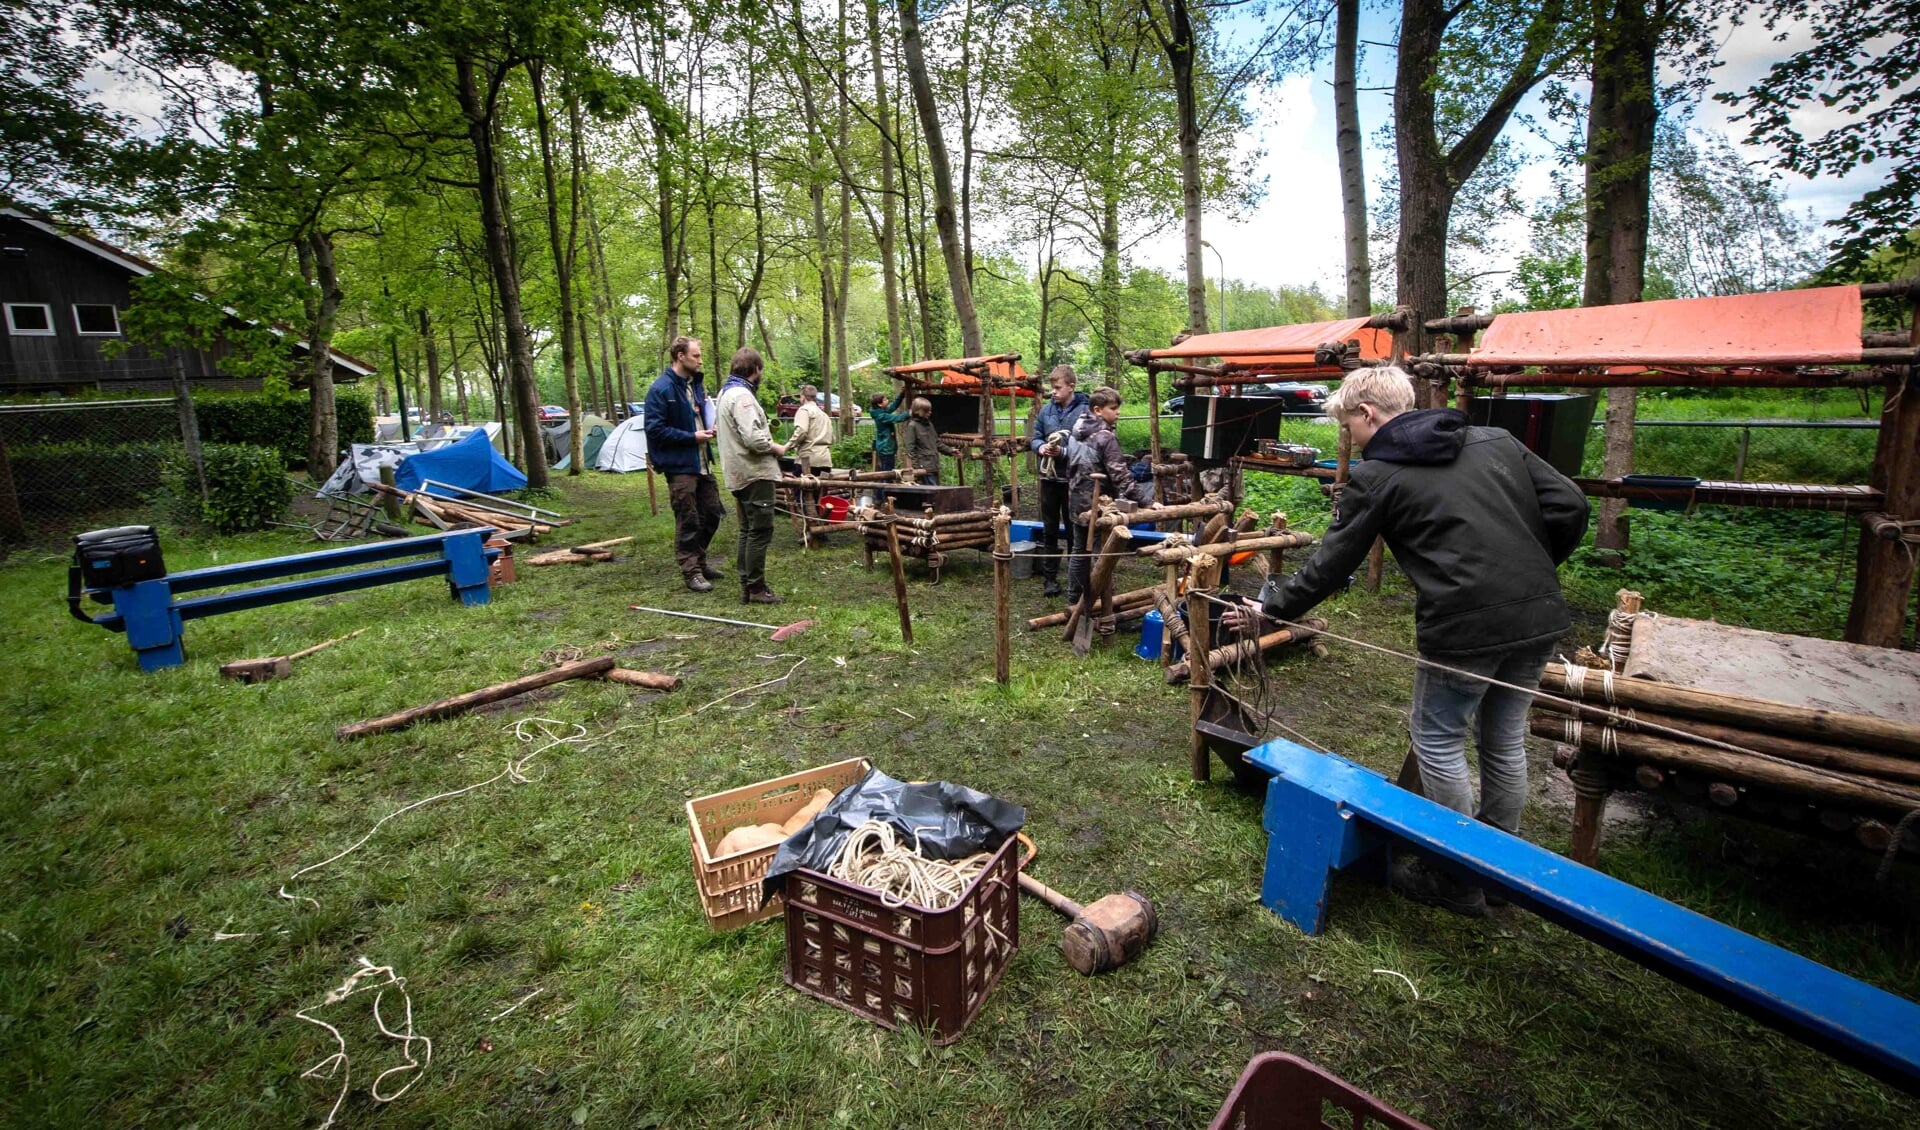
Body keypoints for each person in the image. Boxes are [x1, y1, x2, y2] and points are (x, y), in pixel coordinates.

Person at [1221, 365, 1590, 917]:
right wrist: (1531, 573)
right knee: (1505, 740)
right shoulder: (1495, 440)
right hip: (1539, 616)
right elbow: (1571, 507)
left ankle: (1459, 879)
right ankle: (1499, 873)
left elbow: (1331, 563)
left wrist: (1270, 608)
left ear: (1368, 413)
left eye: (1350, 426)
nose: (1353, 438)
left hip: (1464, 630)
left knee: (1439, 740)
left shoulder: (1382, 474)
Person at [643, 335, 726, 592]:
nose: (700, 360)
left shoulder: (695, 385)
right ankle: (691, 571)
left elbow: (698, 416)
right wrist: (691, 437)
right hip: (680, 466)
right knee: (688, 518)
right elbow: (654, 430)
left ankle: (699, 561)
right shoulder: (661, 389)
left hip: (702, 462)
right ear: (681, 356)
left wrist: (709, 428)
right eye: (696, 356)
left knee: (712, 513)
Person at [1065, 386, 1153, 606]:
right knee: (1102, 554)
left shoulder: (1075, 430)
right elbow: (1120, 475)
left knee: (1079, 550)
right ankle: (1097, 604)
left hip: (1075, 497)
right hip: (1098, 503)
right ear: (1097, 410)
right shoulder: (1105, 437)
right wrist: (1147, 501)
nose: (1118, 413)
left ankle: (1074, 598)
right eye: (1113, 408)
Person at [715, 347, 790, 604]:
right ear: (756, 369)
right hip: (753, 472)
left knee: (748, 530)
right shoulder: (742, 396)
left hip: (738, 471)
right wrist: (776, 448)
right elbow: (753, 438)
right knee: (760, 530)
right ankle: (756, 588)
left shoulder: (725, 393)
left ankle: (747, 585)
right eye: (761, 370)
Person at [1029, 364, 1090, 599]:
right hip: (1050, 479)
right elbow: (1034, 438)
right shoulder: (1046, 412)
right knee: (1050, 528)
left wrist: (1063, 453)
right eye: (1052, 388)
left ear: (1071, 387)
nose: (1053, 392)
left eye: (1057, 388)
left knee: (1075, 531)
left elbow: (1087, 446)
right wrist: (1040, 446)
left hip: (1074, 481)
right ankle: (1050, 579)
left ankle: (1076, 583)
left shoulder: (1085, 412)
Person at [789, 384, 835, 473]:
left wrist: (789, 446)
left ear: (803, 397)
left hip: (807, 460)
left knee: (800, 486)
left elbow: (801, 431)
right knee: (822, 486)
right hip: (825, 460)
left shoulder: (804, 410)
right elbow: (832, 438)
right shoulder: (824, 415)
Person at [902, 397, 941, 484]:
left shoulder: (929, 424)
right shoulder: (912, 426)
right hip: (923, 466)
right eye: (926, 411)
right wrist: (916, 467)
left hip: (933, 465)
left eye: (930, 410)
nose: (929, 413)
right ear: (917, 411)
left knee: (936, 490)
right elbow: (910, 449)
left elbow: (937, 442)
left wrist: (951, 451)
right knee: (931, 490)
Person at [869, 391, 910, 472]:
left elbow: (892, 407)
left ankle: (885, 482)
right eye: (885, 400)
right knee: (887, 471)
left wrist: (901, 395)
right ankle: (886, 483)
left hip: (886, 447)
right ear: (879, 404)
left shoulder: (880, 411)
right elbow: (898, 418)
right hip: (886, 448)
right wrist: (910, 412)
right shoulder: (882, 416)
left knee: (886, 470)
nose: (887, 400)